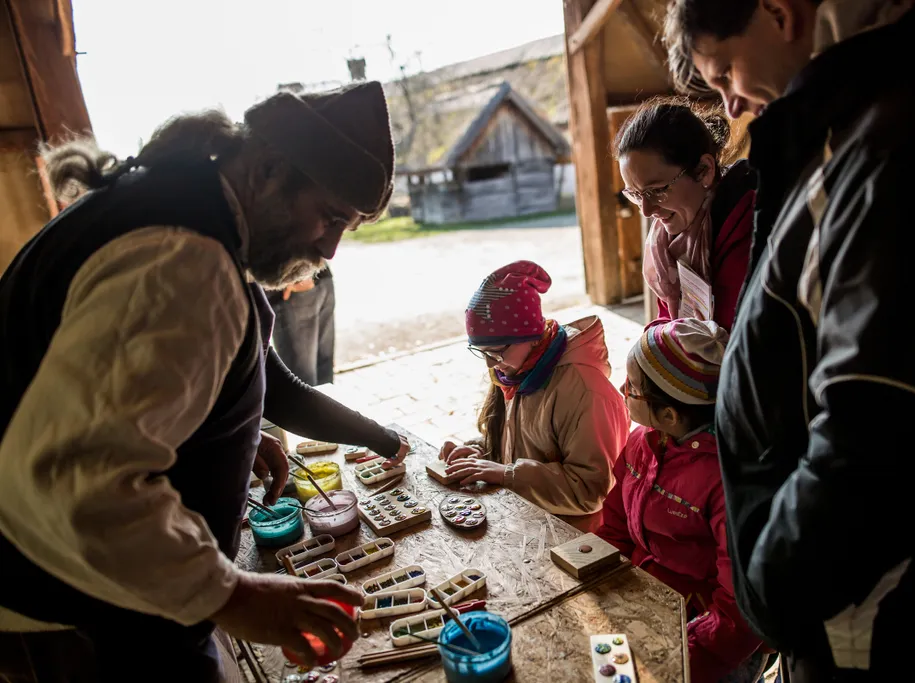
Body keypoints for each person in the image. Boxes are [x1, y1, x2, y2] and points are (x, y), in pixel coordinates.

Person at [0, 82, 409, 681]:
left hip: (100, 592)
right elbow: (81, 476)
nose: (330, 248)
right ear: (270, 169)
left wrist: (219, 435)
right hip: (85, 611)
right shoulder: (183, 261)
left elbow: (128, 400)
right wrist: (235, 597)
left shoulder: (177, 206)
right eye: (329, 217)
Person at [664, 0, 915, 679]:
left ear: (778, 11)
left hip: (863, 603)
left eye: (725, 73)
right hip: (838, 602)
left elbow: (884, 417)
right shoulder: (850, 135)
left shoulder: (904, 141)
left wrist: (778, 584)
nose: (732, 103)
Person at [596, 318, 763, 683]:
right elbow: (614, 524)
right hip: (647, 602)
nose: (623, 389)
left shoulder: (726, 480)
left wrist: (686, 661)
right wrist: (595, 583)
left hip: (710, 638)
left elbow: (740, 606)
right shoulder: (643, 442)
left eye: (633, 388)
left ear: (670, 414)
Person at [440, 261, 630, 531]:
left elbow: (590, 491)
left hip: (572, 536)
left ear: (530, 334)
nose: (490, 365)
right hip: (526, 521)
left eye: (495, 351)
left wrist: (507, 474)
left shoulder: (586, 392)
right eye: (481, 352)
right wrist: (480, 451)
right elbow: (520, 440)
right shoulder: (515, 369)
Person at [616, 97, 755, 332]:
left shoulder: (748, 228)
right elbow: (668, 321)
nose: (647, 211)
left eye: (657, 191)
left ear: (704, 171)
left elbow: (733, 335)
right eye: (636, 195)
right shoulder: (664, 243)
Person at [267, 265, 337, 387]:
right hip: (315, 278)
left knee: (302, 382)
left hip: (297, 286)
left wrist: (300, 277)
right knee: (321, 378)